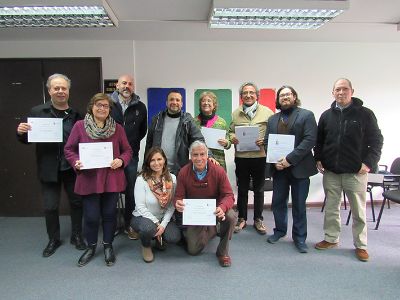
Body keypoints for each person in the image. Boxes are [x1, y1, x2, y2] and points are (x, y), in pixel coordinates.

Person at [16, 73, 86, 257]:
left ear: (69, 91)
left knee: (77, 203)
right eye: (57, 88)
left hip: (72, 167)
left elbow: (83, 140)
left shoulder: (77, 114)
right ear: (49, 91)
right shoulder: (37, 112)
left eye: (64, 88)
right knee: (50, 206)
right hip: (48, 168)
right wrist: (21, 132)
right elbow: (26, 140)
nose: (60, 91)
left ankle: (77, 235)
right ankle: (53, 239)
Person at [314, 78, 383, 262]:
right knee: (331, 208)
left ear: (352, 91)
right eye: (337, 89)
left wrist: (369, 163)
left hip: (356, 172)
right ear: (333, 92)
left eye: (345, 89)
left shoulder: (365, 114)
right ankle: (331, 239)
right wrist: (318, 158)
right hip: (331, 172)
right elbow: (319, 141)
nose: (341, 92)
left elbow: (376, 141)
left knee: (359, 211)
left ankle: (360, 245)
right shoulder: (326, 116)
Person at [64, 93, 132, 267]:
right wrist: (75, 162)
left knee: (110, 215)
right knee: (92, 217)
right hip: (89, 178)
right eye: (98, 105)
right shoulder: (80, 126)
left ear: (109, 110)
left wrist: (121, 160)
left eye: (106, 106)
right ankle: (91, 247)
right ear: (91, 107)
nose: (102, 108)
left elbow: (128, 151)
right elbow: (69, 149)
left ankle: (108, 246)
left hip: (111, 178)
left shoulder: (117, 128)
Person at [264, 86, 318, 253]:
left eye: (288, 94)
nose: (285, 97)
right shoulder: (273, 119)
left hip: (299, 168)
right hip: (279, 169)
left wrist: (289, 160)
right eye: (282, 95)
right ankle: (279, 231)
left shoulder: (306, 115)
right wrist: (274, 161)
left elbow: (309, 140)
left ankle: (300, 238)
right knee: (278, 202)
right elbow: (267, 141)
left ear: (294, 97)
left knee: (299, 205)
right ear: (278, 100)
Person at [174, 141, 236, 267]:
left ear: (208, 155)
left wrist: (222, 207)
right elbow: (178, 197)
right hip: (196, 214)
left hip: (215, 210)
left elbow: (229, 195)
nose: (199, 158)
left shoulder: (218, 171)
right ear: (190, 156)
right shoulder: (183, 172)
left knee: (230, 216)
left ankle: (222, 252)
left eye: (202, 154)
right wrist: (177, 203)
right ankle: (212, 229)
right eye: (195, 155)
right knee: (193, 250)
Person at [229, 82, 274, 235]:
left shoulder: (268, 112)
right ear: (241, 96)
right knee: (242, 189)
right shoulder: (235, 113)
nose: (248, 95)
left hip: (259, 157)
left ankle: (258, 219)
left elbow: (272, 134)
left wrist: (265, 140)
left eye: (251, 93)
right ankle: (241, 218)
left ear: (257, 95)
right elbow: (230, 132)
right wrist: (233, 137)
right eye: (245, 93)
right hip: (241, 157)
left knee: (259, 189)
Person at [110, 74, 147, 239]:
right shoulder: (108, 104)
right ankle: (110, 224)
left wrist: (128, 145)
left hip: (131, 155)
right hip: (109, 156)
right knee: (110, 190)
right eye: (124, 83)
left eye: (130, 84)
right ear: (117, 86)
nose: (127, 86)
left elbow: (142, 131)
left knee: (132, 190)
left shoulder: (140, 107)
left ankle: (129, 224)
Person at [131, 147, 181, 263]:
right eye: (152, 160)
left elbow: (171, 205)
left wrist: (163, 225)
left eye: (159, 159)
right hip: (142, 217)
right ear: (148, 163)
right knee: (148, 228)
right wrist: (156, 222)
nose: (156, 163)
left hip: (162, 218)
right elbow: (140, 207)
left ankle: (160, 237)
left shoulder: (172, 179)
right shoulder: (141, 179)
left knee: (174, 236)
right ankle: (146, 245)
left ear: (164, 160)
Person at [194, 91, 231, 171]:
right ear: (200, 105)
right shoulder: (194, 122)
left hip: (218, 162)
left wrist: (226, 143)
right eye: (203, 101)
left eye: (209, 101)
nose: (206, 103)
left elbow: (229, 143)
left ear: (214, 105)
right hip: (199, 163)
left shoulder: (221, 122)